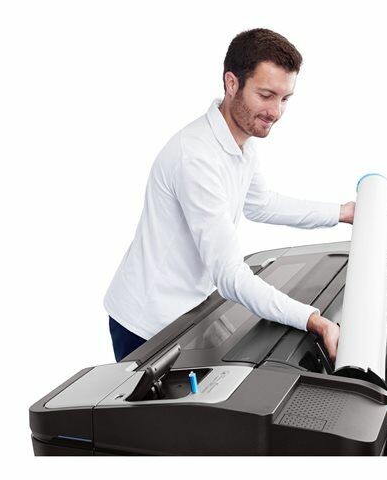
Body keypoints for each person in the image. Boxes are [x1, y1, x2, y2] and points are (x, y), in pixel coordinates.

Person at [104, 28, 355, 362]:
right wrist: (313, 319)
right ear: (232, 83)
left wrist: (342, 212)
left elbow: (262, 203)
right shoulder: (195, 158)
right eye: (266, 95)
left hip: (188, 309)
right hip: (146, 323)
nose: (276, 112)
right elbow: (230, 274)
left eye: (284, 99)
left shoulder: (240, 141)